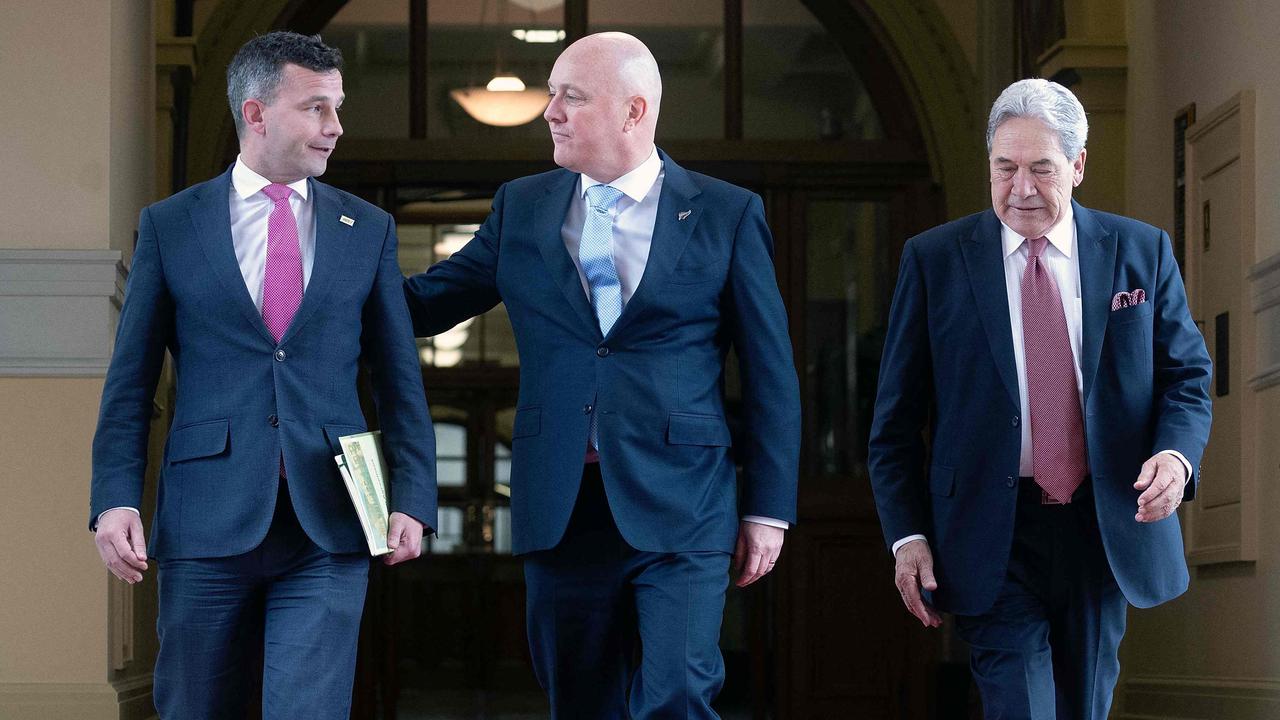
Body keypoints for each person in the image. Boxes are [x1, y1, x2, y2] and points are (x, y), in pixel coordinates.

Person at [403, 31, 800, 719]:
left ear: (633, 111)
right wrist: (326, 271)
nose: (549, 111)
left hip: (685, 500)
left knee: (678, 691)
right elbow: (429, 303)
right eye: (552, 93)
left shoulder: (727, 213)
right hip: (561, 501)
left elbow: (770, 372)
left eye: (571, 96)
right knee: (580, 701)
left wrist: (768, 507)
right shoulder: (521, 207)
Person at [89, 31, 436, 719]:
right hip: (205, 520)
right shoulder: (171, 225)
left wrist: (415, 498)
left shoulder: (365, 228)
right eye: (316, 108)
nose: (335, 127)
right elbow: (130, 382)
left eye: (336, 108)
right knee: (195, 707)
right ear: (256, 114)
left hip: (331, 522)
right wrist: (114, 498)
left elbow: (400, 380)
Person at [868, 78, 1212, 718]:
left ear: (1079, 166)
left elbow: (1186, 377)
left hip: (1101, 523)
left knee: (1085, 705)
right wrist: (907, 535)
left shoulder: (1140, 251)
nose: (1020, 188)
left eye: (1041, 169)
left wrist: (1175, 455)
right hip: (989, 528)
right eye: (1005, 168)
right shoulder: (935, 260)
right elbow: (894, 424)